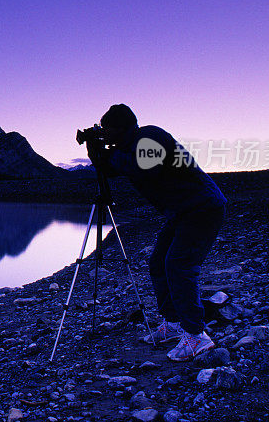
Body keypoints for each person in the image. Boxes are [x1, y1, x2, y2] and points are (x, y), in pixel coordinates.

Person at [88, 104, 226, 361]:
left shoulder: (150, 136)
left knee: (179, 265)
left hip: (202, 207)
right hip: (181, 212)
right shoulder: (128, 147)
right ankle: (173, 323)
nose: (105, 135)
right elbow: (112, 169)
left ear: (121, 128)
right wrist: (96, 153)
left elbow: (144, 168)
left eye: (107, 130)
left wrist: (109, 154)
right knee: (158, 263)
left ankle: (196, 335)